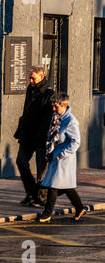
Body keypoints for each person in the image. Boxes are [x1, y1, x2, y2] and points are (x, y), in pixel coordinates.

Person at [37, 93, 87, 222]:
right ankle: (80, 208)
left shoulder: (71, 121)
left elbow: (76, 142)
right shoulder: (57, 117)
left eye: (56, 106)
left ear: (64, 105)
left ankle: (47, 213)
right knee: (66, 186)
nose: (53, 109)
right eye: (53, 105)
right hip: (56, 156)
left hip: (63, 159)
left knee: (54, 185)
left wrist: (62, 154)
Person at [14, 65, 55, 206]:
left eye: (33, 78)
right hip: (27, 135)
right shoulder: (30, 90)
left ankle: (41, 198)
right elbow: (26, 111)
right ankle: (32, 193)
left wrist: (44, 138)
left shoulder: (49, 94)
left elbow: (48, 119)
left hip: (41, 138)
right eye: (30, 78)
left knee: (41, 170)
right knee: (21, 161)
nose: (30, 81)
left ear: (42, 77)